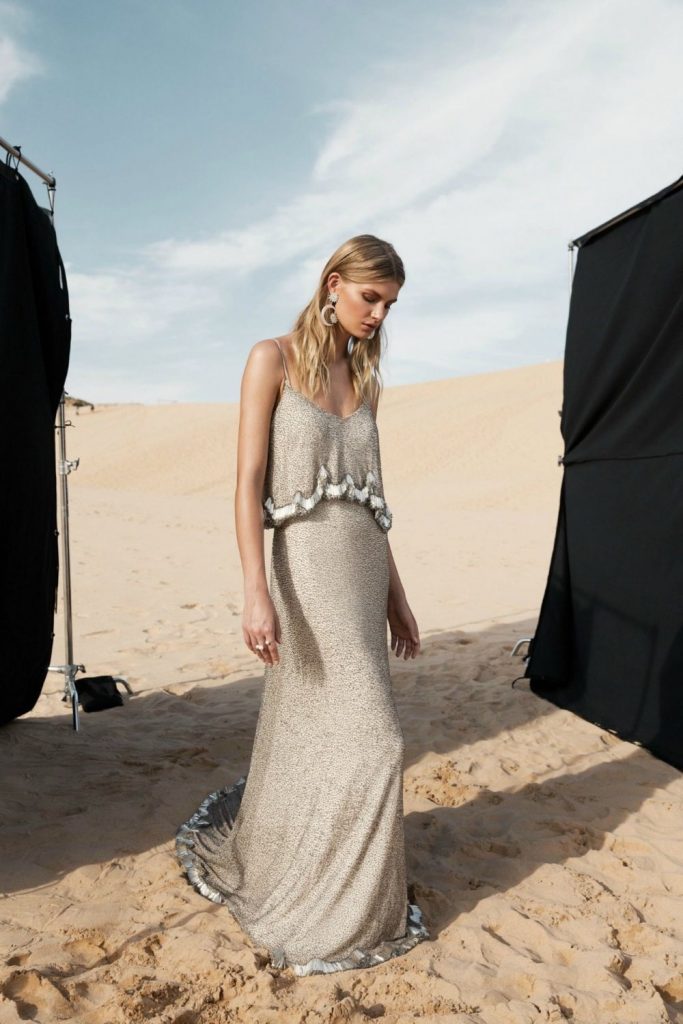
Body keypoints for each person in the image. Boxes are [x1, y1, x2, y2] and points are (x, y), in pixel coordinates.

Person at [176, 234, 429, 975]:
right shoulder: (272, 359)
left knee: (327, 732)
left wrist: (397, 596)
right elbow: (246, 482)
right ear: (332, 284)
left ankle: (347, 890)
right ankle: (329, 908)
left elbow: (373, 501)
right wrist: (254, 589)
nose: (377, 314)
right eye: (369, 297)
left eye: (389, 304)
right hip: (304, 572)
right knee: (378, 741)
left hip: (362, 570)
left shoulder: (366, 380)